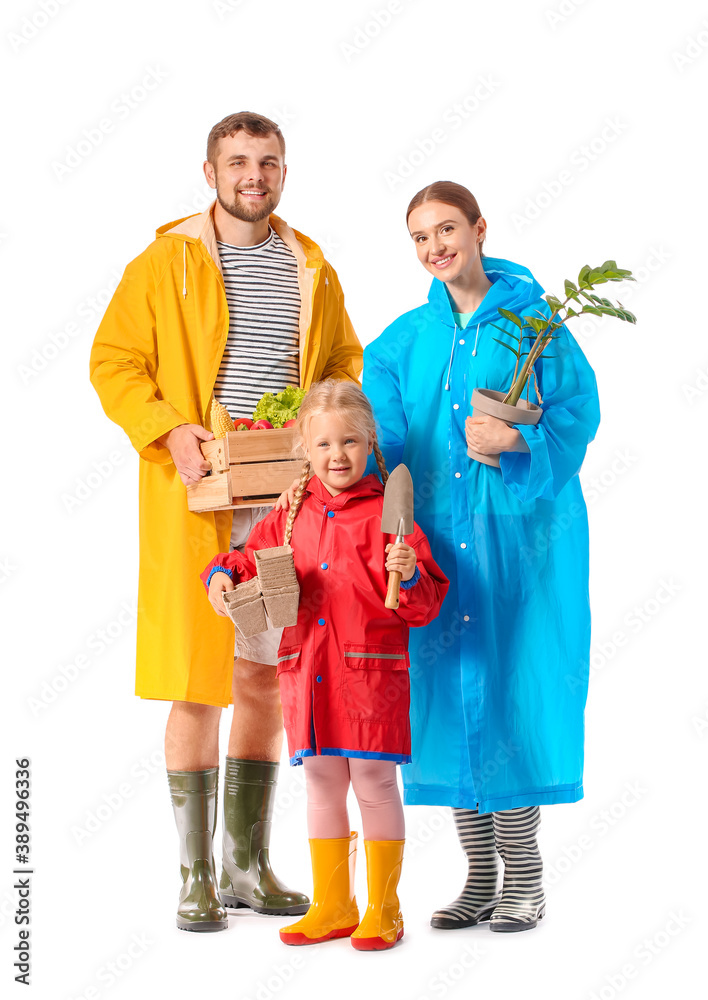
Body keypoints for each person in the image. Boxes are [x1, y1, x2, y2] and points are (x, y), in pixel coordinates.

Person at [89, 112, 363, 932]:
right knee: (195, 682)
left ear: (284, 170)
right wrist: (170, 428)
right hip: (197, 502)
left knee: (263, 676)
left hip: (284, 506)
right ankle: (194, 875)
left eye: (268, 162)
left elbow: (342, 361)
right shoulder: (166, 260)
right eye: (238, 162)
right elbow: (112, 360)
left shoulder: (308, 263)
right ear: (208, 171)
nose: (255, 176)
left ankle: (247, 866)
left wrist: (319, 430)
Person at [361, 181, 601, 932]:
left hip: (521, 538)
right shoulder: (402, 340)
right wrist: (382, 520)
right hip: (435, 546)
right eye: (420, 237)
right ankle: (476, 878)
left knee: (511, 692)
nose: (435, 247)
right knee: (445, 706)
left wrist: (516, 440)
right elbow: (384, 445)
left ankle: (523, 877)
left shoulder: (537, 324)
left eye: (446, 229)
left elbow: (579, 412)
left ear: (478, 228)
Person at [202, 380, 449, 949]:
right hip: (306, 670)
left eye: (350, 442)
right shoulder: (289, 515)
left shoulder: (391, 514)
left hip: (370, 675)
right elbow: (245, 558)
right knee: (321, 781)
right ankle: (335, 904)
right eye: (323, 445)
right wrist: (222, 574)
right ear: (304, 450)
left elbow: (425, 602)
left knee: (373, 780)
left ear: (370, 443)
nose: (337, 455)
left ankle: (384, 909)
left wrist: (407, 572)